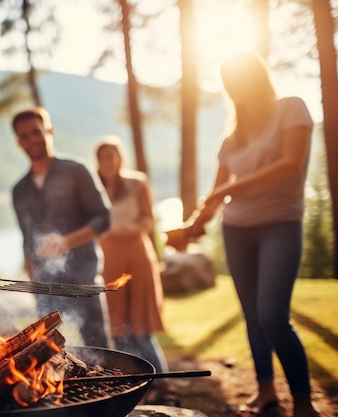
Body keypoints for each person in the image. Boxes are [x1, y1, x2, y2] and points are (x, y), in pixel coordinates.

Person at [182, 50, 318, 417]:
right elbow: (212, 199)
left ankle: (303, 401)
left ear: (257, 76)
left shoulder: (292, 108)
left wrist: (226, 190)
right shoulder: (231, 140)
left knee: (273, 315)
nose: (234, 87)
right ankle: (266, 391)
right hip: (236, 229)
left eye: (239, 78)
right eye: (228, 82)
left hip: (280, 224)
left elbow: (289, 165)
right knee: (253, 317)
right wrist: (190, 226)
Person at [10, 106, 111, 348]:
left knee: (98, 349)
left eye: (36, 132)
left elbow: (104, 218)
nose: (32, 140)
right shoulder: (19, 190)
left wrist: (67, 242)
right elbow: (26, 237)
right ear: (19, 142)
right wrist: (30, 269)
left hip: (83, 278)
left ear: (49, 131)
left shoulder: (76, 171)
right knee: (49, 351)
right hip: (45, 285)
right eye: (24, 136)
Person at [94, 135, 177, 405]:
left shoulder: (137, 182)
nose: (107, 161)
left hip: (137, 257)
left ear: (120, 158)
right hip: (110, 261)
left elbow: (148, 220)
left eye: (111, 155)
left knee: (141, 326)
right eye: (102, 156)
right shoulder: (94, 189)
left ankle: (163, 385)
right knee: (119, 327)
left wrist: (132, 228)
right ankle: (131, 387)